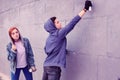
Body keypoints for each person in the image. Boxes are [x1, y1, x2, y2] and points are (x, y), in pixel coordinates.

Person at [42, 0, 92, 80]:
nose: (60, 23)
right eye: (57, 22)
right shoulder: (58, 34)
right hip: (54, 69)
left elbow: (46, 50)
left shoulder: (49, 38)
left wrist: (63, 51)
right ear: (53, 26)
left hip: (46, 66)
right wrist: (85, 9)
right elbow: (71, 24)